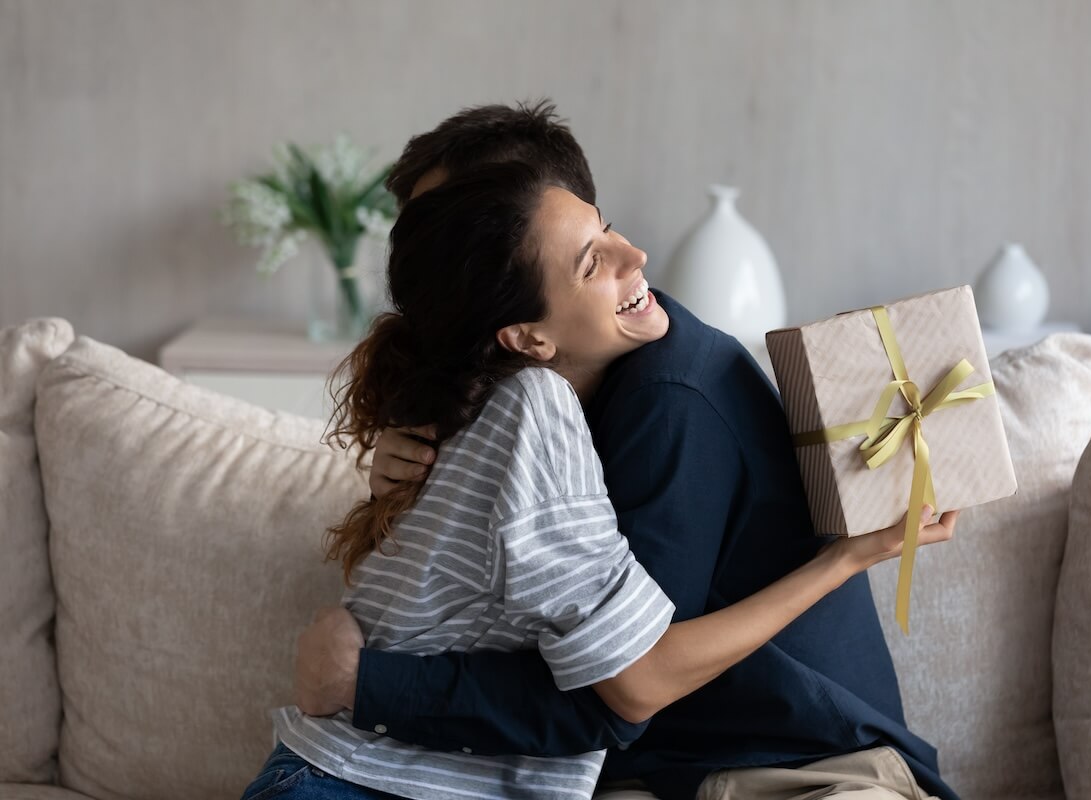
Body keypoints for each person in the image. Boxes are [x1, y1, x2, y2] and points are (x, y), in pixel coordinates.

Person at [292, 102, 962, 800]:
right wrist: (397, 486)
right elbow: (456, 609)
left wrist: (366, 685)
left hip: (806, 768)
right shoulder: (525, 401)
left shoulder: (668, 394)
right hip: (657, 776)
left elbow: (625, 689)